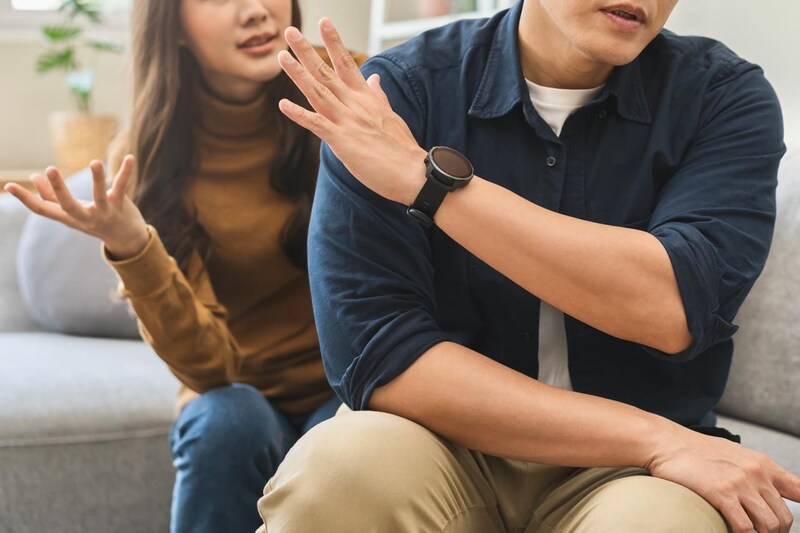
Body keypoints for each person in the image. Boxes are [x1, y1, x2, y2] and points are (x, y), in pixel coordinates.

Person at [257, 1, 799, 532]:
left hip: (631, 472)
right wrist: (658, 438)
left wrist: (429, 186)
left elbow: (670, 305)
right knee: (337, 473)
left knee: (661, 524)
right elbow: (379, 353)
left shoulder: (723, 96)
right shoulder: (399, 92)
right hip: (440, 441)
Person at [4, 1, 365, 532]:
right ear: (170, 26)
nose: (255, 10)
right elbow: (210, 370)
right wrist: (132, 245)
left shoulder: (348, 84)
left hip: (354, 383)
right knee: (224, 421)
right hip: (239, 391)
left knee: (348, 440)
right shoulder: (150, 150)